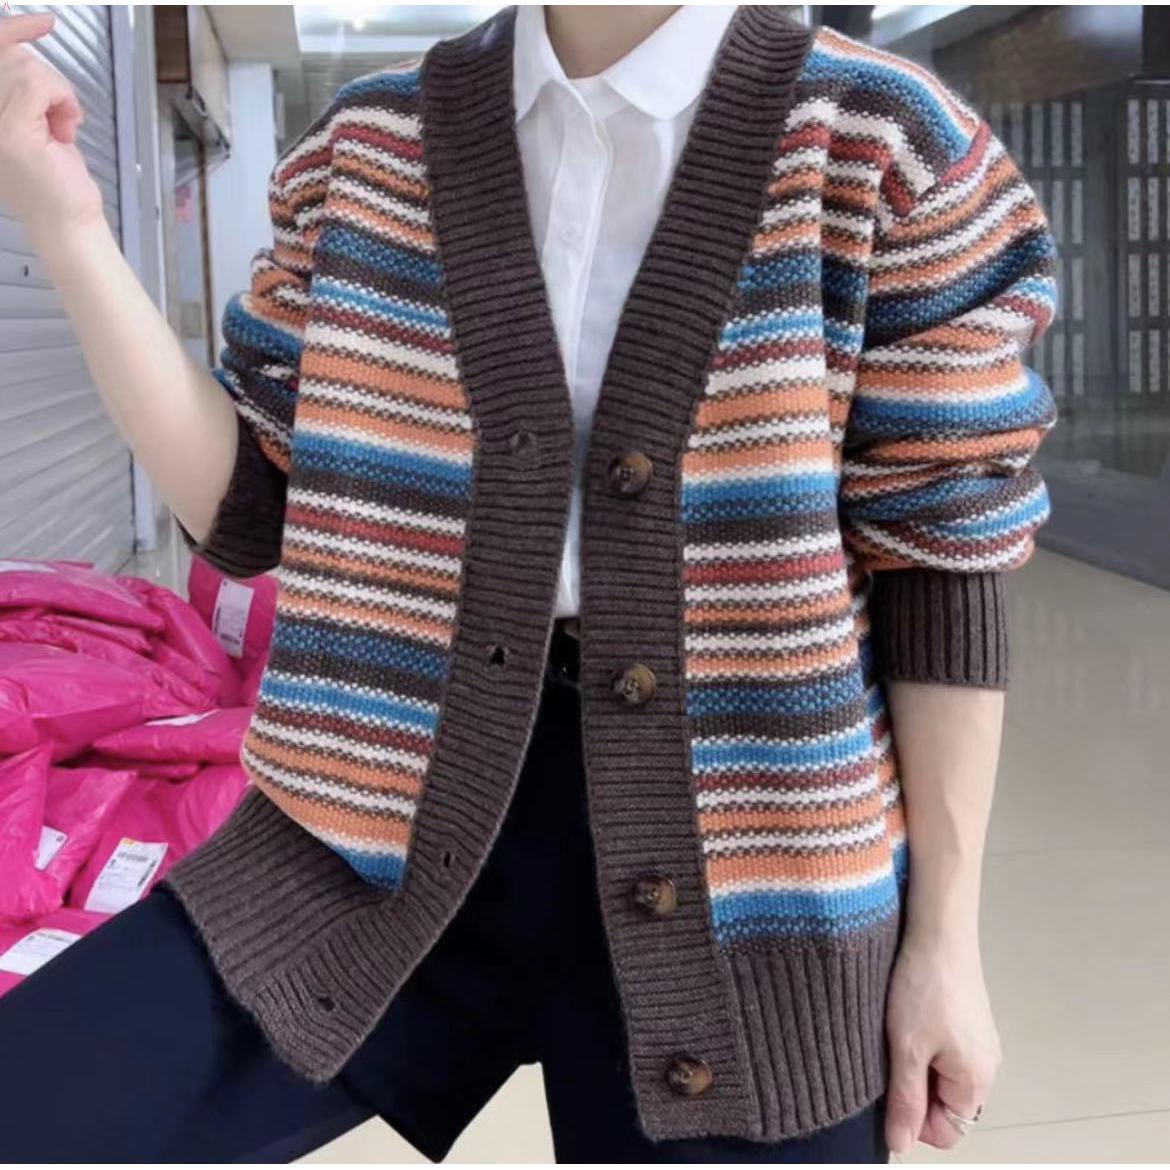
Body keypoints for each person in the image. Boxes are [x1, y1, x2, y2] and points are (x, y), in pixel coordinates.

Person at [0, 4, 1057, 1163]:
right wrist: (69, 223)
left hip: (753, 879)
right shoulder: (367, 148)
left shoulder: (886, 145)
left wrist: (946, 942)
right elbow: (248, 507)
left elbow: (941, 564)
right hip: (374, 815)